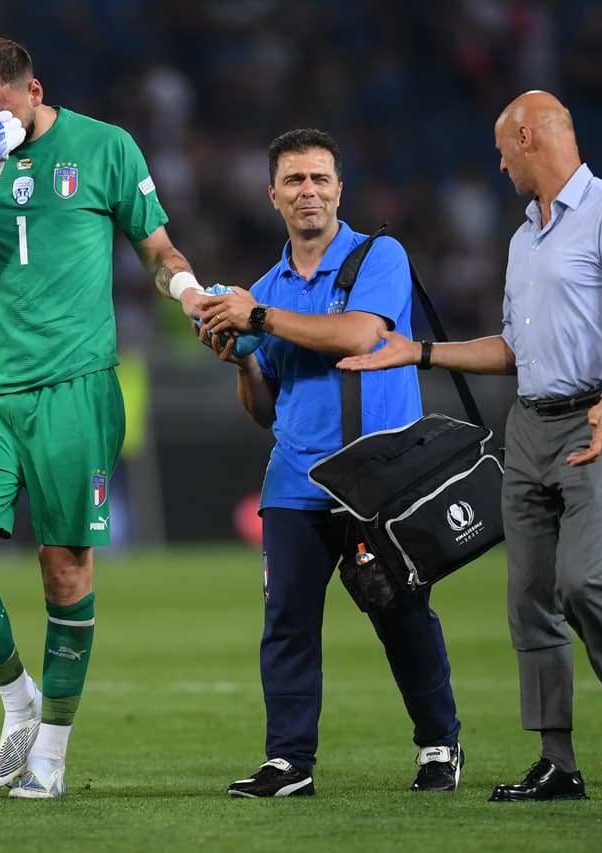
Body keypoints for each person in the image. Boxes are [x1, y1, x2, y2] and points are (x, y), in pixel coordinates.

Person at [339, 91, 602, 801]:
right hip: (530, 424)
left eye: (501, 148)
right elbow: (514, 348)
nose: (497, 163)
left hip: (597, 417)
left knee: (581, 580)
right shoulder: (525, 238)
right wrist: (419, 353)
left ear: (528, 138)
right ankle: (559, 761)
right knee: (528, 599)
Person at [0, 36, 207, 799]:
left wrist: (185, 293)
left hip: (74, 386)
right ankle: (18, 701)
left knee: (65, 566)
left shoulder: (106, 147)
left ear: (33, 91)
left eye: (2, 112)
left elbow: (156, 246)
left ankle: (50, 753)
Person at [195, 128, 463, 798]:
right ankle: (289, 761)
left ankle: (439, 745)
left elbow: (361, 333)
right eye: (294, 180)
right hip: (295, 478)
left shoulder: (380, 255)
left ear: (340, 189)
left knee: (400, 613)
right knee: (285, 618)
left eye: (319, 178)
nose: (308, 191)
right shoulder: (266, 287)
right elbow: (263, 407)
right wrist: (244, 356)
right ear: (273, 196)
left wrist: (258, 317)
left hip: (380, 478)